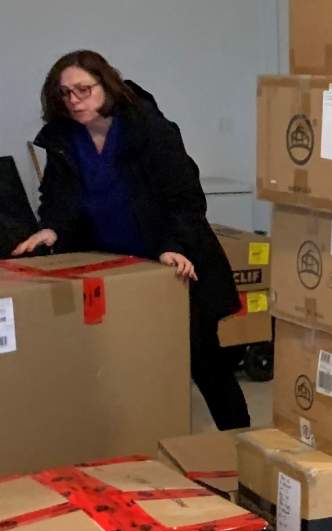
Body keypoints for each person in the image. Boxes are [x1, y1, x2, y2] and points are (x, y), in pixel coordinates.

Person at [13, 50, 250, 430]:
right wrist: (51, 227)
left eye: (83, 90)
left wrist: (175, 245)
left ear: (106, 84)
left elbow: (185, 197)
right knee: (124, 360)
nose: (74, 101)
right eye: (65, 94)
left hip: (168, 261)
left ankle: (239, 445)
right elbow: (57, 195)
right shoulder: (64, 137)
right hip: (114, 268)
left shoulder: (149, 128)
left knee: (202, 357)